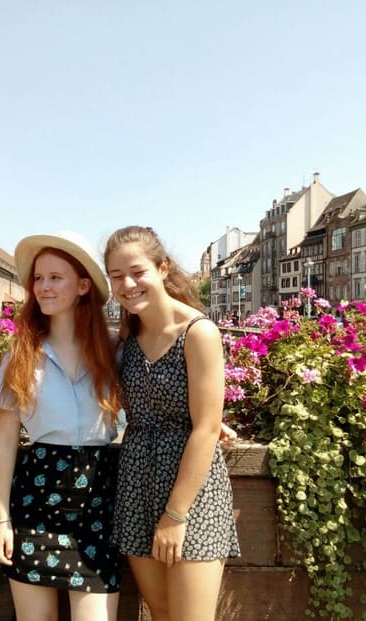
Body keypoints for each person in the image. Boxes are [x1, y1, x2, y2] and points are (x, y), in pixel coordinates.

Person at [104, 225, 240, 621]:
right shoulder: (129, 333)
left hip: (190, 493)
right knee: (162, 614)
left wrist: (175, 515)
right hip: (136, 483)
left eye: (137, 272)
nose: (127, 284)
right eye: (116, 276)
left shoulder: (198, 332)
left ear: (162, 268)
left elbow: (204, 428)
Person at [0, 231, 123, 621]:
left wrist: (208, 422)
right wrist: (1, 519)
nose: (43, 287)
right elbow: (5, 440)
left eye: (55, 277)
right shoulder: (21, 354)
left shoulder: (113, 352)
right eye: (38, 278)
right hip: (36, 498)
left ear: (83, 286)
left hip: (98, 501)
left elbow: (154, 401)